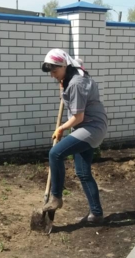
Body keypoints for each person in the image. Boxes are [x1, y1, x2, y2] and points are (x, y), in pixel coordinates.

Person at [41, 49, 108, 225]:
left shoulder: (77, 83)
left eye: (54, 71)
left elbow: (78, 117)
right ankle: (96, 214)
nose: (52, 75)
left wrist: (61, 128)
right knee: (83, 173)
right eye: (50, 72)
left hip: (91, 127)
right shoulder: (71, 78)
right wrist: (62, 86)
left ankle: (56, 197)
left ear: (64, 66)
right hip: (84, 127)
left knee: (55, 153)